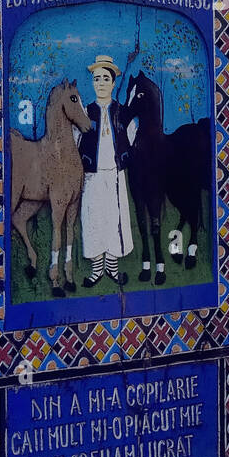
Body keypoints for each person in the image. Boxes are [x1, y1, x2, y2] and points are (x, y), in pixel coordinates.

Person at [78, 55, 135, 287]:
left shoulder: (121, 112)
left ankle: (112, 267)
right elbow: (76, 139)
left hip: (115, 173)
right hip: (91, 174)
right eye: (96, 78)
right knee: (93, 217)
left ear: (113, 83)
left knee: (115, 219)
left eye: (105, 78)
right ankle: (96, 269)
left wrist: (125, 158)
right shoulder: (86, 112)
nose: (100, 83)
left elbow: (131, 135)